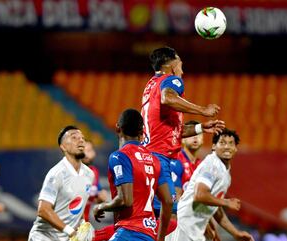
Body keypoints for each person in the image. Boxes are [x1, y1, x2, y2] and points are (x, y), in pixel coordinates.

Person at [141, 46, 225, 216]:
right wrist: (203, 110)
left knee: (152, 214)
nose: (182, 68)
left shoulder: (151, 85)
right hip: (159, 157)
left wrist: (201, 127)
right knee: (173, 210)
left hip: (148, 156)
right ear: (172, 64)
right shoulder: (172, 80)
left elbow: (170, 131)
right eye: (180, 62)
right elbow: (168, 98)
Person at [93, 109, 173, 241]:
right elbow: (168, 201)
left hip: (130, 231)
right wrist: (160, 238)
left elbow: (126, 200)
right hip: (149, 233)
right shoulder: (154, 160)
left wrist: (101, 207)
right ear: (142, 132)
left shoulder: (119, 156)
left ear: (118, 127)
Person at [170, 129, 254, 241]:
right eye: (222, 143)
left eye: (231, 143)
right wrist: (227, 202)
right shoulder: (212, 165)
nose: (227, 147)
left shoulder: (224, 172)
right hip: (184, 227)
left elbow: (215, 208)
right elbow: (199, 195)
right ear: (214, 146)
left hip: (195, 230)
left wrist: (235, 233)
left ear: (235, 148)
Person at [28, 125, 95, 241]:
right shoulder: (56, 174)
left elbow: (77, 207)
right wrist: (70, 231)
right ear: (63, 146)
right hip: (43, 237)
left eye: (82, 138)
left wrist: (82, 224)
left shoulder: (89, 174)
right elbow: (43, 210)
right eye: (74, 137)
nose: (81, 140)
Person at [82, 140, 108, 222]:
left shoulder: (94, 172)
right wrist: (96, 192)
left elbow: (95, 197)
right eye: (83, 151)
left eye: (89, 150)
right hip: (69, 224)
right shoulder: (74, 171)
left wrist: (100, 198)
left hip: (84, 224)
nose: (86, 154)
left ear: (94, 153)